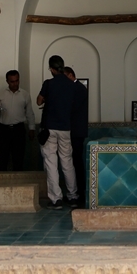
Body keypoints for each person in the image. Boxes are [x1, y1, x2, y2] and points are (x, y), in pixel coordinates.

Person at [37, 55, 79, 209]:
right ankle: (73, 196)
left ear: (52, 69)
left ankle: (56, 199)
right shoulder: (71, 85)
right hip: (65, 128)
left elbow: (39, 101)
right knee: (67, 162)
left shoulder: (49, 84)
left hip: (49, 129)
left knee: (51, 162)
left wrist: (49, 99)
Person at [0, 70, 36, 171]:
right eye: (12, 81)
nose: (15, 84)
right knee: (2, 158)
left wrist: (32, 128)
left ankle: (19, 184)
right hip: (4, 129)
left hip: (18, 129)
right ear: (7, 81)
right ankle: (1, 184)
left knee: (19, 158)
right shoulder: (0, 94)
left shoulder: (25, 95)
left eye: (17, 81)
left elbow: (30, 112)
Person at [64, 66, 89, 206]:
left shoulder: (78, 89)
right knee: (73, 162)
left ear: (71, 75)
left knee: (76, 162)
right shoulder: (77, 88)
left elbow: (73, 108)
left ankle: (79, 192)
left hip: (76, 131)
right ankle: (74, 191)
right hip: (74, 130)